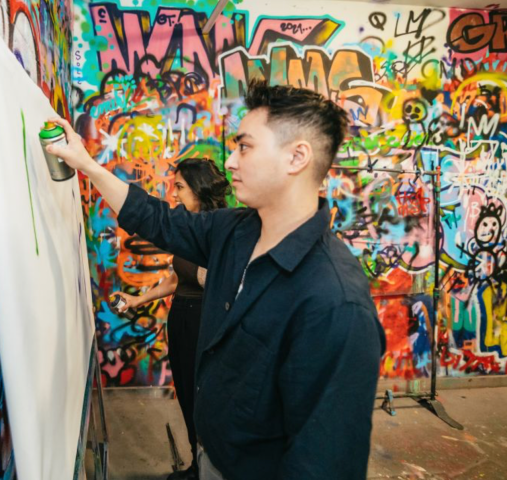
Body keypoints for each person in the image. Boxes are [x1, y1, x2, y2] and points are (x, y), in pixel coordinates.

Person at [48, 82, 386, 480]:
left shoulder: (334, 302)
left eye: (244, 147)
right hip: (212, 459)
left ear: (297, 157)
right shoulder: (235, 230)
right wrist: (87, 164)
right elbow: (158, 219)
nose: (229, 162)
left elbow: (325, 463)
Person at [112, 158, 231, 480]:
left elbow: (227, 282)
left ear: (199, 188)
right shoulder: (190, 228)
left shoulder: (219, 229)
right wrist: (139, 298)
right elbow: (178, 278)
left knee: (205, 400)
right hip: (182, 318)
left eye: (179, 186)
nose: (173, 194)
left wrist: (215, 274)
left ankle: (212, 469)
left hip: (204, 323)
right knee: (188, 396)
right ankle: (197, 465)